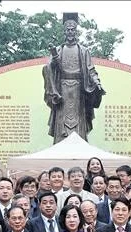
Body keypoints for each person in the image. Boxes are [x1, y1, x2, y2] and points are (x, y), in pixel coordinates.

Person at [43, 12, 104, 143]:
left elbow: (91, 70)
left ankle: (80, 143)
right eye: (68, 30)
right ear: (64, 32)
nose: (70, 32)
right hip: (62, 90)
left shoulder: (83, 50)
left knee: (78, 121)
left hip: (79, 91)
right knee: (62, 120)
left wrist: (97, 83)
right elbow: (48, 68)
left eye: (73, 30)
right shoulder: (59, 50)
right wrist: (53, 63)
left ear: (76, 32)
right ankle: (60, 144)